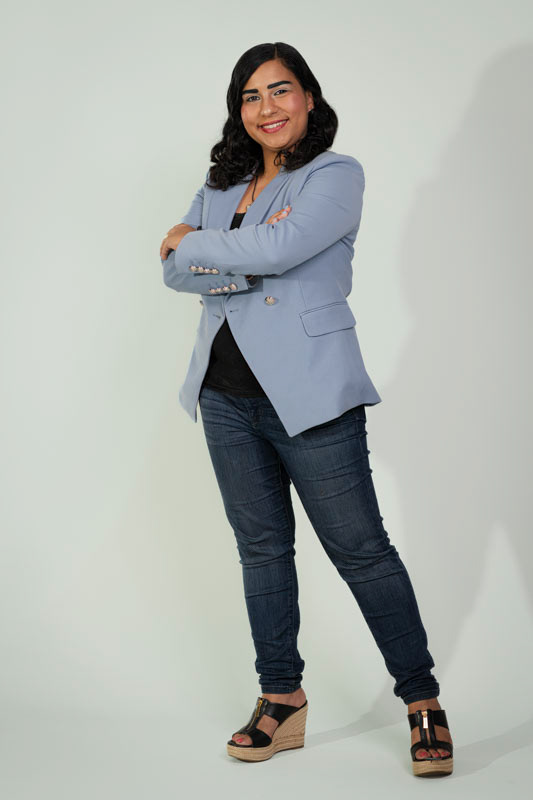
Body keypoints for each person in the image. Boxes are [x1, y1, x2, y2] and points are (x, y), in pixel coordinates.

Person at [160, 41, 454, 777]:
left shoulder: (334, 174)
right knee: (260, 551)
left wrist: (206, 248)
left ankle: (421, 699)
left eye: (280, 90)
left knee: (361, 550)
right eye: (250, 96)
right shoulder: (222, 184)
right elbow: (173, 271)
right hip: (224, 396)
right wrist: (233, 251)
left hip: (312, 393)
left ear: (308, 97)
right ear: (238, 110)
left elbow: (277, 248)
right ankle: (280, 698)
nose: (266, 108)